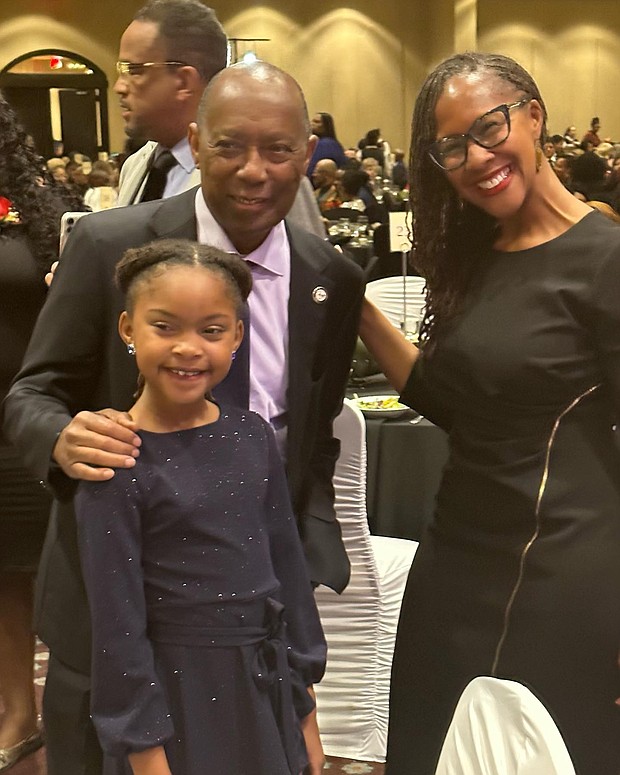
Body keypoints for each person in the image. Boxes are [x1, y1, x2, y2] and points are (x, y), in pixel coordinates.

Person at [3, 61, 363, 775]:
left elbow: (310, 433)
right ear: (195, 144)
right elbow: (31, 393)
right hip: (113, 613)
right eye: (230, 145)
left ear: (307, 152)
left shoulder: (331, 277)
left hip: (248, 633)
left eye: (278, 149)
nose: (254, 170)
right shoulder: (108, 247)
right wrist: (63, 437)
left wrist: (304, 541)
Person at [359, 51, 620, 775]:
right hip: (453, 562)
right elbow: (451, 401)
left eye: (488, 128)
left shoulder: (605, 260)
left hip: (564, 574)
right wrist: (359, 308)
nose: (476, 157)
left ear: (533, 116)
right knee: (430, 750)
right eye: (450, 146)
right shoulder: (477, 255)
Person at [76, 238, 326, 775]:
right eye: (165, 327)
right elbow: (117, 625)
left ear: (237, 335)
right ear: (128, 329)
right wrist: (144, 749)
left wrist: (305, 708)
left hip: (266, 682)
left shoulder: (252, 434)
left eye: (211, 331)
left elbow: (287, 567)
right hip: (177, 695)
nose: (188, 348)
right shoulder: (116, 460)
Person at [0, 92, 84, 771]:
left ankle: (69, 714)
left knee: (41, 570)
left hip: (26, 420)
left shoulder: (38, 212)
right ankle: (17, 713)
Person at [115, 0, 326, 239]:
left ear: (183, 81)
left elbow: (305, 259)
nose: (119, 87)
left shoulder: (271, 176)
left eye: (135, 71)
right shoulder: (137, 165)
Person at [306, 112, 347, 178]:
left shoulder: (327, 144)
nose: (311, 124)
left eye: (317, 122)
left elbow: (311, 168)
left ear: (326, 126)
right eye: (312, 121)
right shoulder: (327, 143)